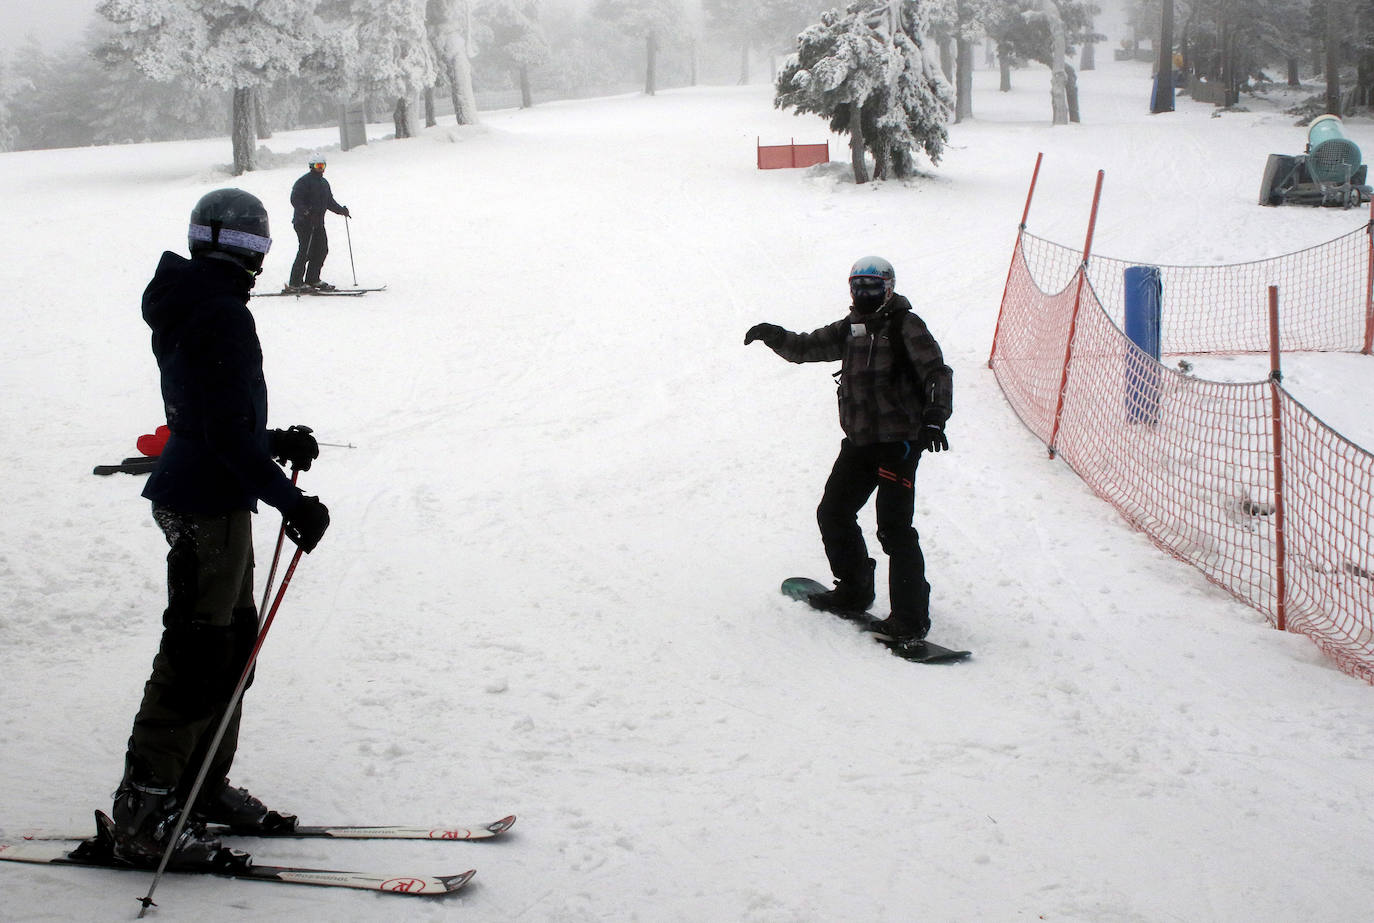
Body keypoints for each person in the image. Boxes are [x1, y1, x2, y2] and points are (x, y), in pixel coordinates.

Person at [109, 188, 331, 869]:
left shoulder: (193, 300)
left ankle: (197, 785)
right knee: (200, 653)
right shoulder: (220, 312)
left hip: (205, 487)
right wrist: (289, 501)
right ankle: (147, 808)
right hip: (209, 500)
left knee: (231, 647)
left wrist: (268, 440)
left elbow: (209, 414)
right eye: (258, 246)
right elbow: (222, 432)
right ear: (234, 245)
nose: (262, 262)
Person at [744, 256, 953, 644]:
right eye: (858, 287)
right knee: (834, 512)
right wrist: (773, 335)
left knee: (894, 529)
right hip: (859, 442)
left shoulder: (905, 325)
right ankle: (854, 589)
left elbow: (936, 372)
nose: (865, 294)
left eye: (873, 288)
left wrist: (935, 417)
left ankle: (910, 618)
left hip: (898, 445)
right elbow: (806, 347)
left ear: (888, 288)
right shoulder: (851, 327)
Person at [286, 156, 350, 293]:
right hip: (303, 223)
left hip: (318, 223)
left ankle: (312, 278)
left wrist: (341, 211)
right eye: (318, 166)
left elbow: (329, 202)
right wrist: (307, 212)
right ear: (311, 166)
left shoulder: (324, 183)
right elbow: (295, 200)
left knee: (322, 250)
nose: (320, 169)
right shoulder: (303, 182)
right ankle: (295, 282)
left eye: (322, 166)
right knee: (306, 251)